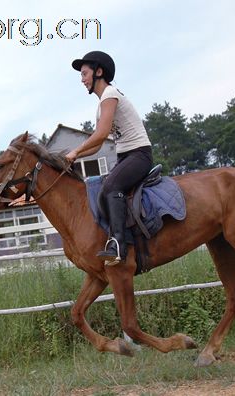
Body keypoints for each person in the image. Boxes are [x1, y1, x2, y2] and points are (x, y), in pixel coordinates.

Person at [66, 51, 153, 266]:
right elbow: (96, 145)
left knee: (112, 187)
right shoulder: (101, 104)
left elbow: (102, 134)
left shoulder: (110, 94)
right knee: (105, 188)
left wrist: (76, 152)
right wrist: (71, 157)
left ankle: (118, 245)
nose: (82, 79)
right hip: (125, 156)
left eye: (84, 73)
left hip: (139, 154)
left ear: (99, 72)